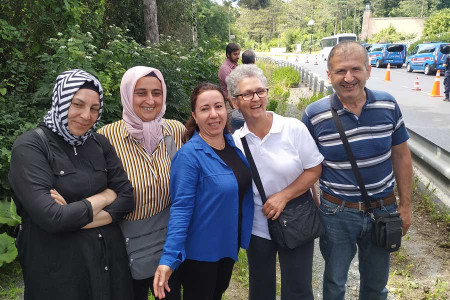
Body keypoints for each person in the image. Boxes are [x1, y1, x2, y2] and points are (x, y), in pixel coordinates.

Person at [8, 69, 134, 299]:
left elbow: (126, 197)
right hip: (59, 274)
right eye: (78, 104)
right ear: (61, 100)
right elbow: (53, 217)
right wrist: (105, 197)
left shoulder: (99, 142)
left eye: (94, 108)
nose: (86, 115)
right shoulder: (30, 148)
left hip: (108, 267)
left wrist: (72, 216)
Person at [301, 40, 413, 300]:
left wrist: (405, 206)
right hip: (336, 213)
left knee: (376, 285)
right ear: (328, 75)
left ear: (368, 70)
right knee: (334, 282)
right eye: (340, 71)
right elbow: (304, 164)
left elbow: (401, 156)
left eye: (355, 69)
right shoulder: (314, 115)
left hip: (383, 210)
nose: (348, 78)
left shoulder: (388, 105)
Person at [227, 64, 324, 300]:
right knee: (260, 290)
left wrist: (284, 195)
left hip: (297, 219)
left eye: (260, 91)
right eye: (247, 94)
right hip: (258, 228)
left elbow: (314, 169)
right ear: (234, 102)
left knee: (298, 289)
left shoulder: (293, 128)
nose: (256, 98)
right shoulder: (235, 143)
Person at [153, 82, 254, 300]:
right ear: (195, 116)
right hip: (201, 254)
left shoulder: (231, 144)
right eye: (204, 109)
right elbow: (180, 209)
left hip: (228, 244)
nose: (213, 114)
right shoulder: (190, 156)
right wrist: (169, 258)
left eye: (218, 106)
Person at [98, 66, 185, 300]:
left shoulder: (176, 131)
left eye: (156, 93)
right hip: (125, 246)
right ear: (127, 94)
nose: (150, 100)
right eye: (141, 93)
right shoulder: (106, 137)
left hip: (168, 243)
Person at [218, 42, 245, 132]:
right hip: (230, 104)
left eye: (238, 54)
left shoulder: (236, 66)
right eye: (235, 54)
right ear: (228, 54)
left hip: (237, 101)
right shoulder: (225, 69)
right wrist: (235, 106)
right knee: (232, 131)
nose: (238, 56)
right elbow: (232, 89)